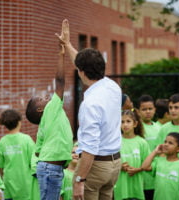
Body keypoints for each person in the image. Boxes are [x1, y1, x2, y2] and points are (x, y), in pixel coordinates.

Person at [56, 19, 122, 200]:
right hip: (114, 164)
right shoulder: (113, 86)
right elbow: (83, 64)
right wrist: (68, 44)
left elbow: (90, 149)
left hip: (95, 167)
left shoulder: (90, 104)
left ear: (81, 72)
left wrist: (79, 180)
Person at [25, 39, 73, 199]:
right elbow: (60, 81)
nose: (46, 96)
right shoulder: (51, 110)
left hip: (50, 168)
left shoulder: (45, 125)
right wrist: (61, 54)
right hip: (50, 169)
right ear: (40, 109)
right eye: (41, 99)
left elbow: (38, 151)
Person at [0, 109, 35, 200]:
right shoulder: (27, 139)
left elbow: (0, 166)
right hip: (26, 183)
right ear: (19, 122)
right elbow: (34, 162)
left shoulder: (2, 141)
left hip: (9, 183)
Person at [142, 132, 179, 200]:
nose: (166, 144)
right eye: (165, 142)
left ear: (178, 149)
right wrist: (155, 152)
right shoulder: (159, 161)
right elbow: (144, 167)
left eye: (170, 143)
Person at [114, 109, 150, 200]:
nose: (125, 124)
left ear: (135, 124)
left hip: (136, 189)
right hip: (120, 189)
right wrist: (120, 166)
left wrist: (138, 169)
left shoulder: (142, 142)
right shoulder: (115, 142)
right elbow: (110, 163)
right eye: (122, 122)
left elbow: (149, 164)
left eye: (128, 121)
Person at [137, 94, 160, 199]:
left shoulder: (159, 128)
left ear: (155, 109)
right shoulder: (136, 128)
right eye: (144, 109)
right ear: (138, 111)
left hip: (155, 177)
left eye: (150, 109)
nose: (148, 112)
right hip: (139, 177)